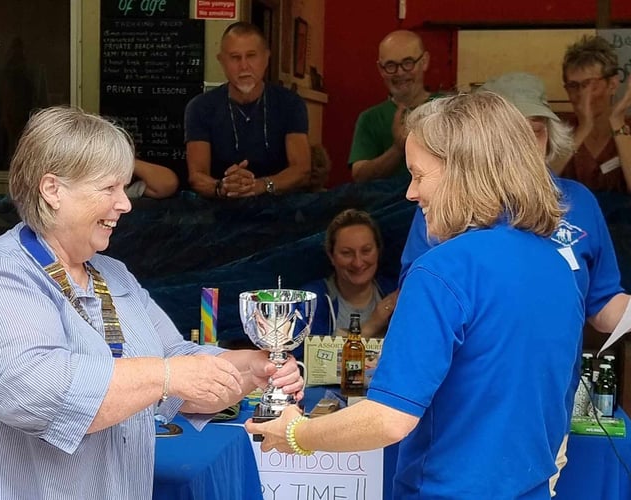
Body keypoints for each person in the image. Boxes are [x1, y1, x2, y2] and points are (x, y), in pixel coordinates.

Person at [0, 106, 304, 499]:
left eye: (124, 187)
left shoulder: (113, 274)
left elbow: (179, 359)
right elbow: (32, 392)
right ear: (52, 189)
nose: (125, 203)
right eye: (109, 188)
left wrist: (250, 368)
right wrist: (167, 376)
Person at [246, 93, 586, 499]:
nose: (410, 193)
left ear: (463, 172)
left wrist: (296, 433)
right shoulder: (558, 265)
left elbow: (389, 418)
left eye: (419, 175)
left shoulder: (442, 268)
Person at [399, 72, 631, 496]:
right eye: (514, 133)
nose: (526, 143)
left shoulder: (579, 202)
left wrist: (299, 436)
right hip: (464, 424)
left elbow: (602, 302)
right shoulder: (443, 207)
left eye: (536, 131)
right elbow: (424, 293)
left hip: (543, 419)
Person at [185, 22, 310, 198]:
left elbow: (301, 170)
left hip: (280, 208)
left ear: (266, 58)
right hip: (220, 210)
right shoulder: (200, 107)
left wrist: (259, 186)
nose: (244, 66)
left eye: (251, 56)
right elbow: (197, 175)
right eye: (235, 57)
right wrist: (223, 187)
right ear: (222, 61)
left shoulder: (290, 103)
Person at [349, 30, 443, 183]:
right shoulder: (370, 118)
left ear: (424, 62)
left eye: (408, 63)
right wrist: (398, 149)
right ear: (380, 69)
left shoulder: (448, 108)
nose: (399, 73)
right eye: (391, 66)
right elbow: (359, 176)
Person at [301, 209, 398, 339]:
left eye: (366, 251)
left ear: (378, 251)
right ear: (331, 256)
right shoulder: (312, 300)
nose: (358, 263)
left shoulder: (395, 291)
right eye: (347, 253)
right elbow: (311, 355)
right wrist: (373, 324)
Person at [558, 35, 631, 193]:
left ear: (612, 84)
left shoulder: (627, 128)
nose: (582, 94)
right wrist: (584, 128)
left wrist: (617, 121)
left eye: (590, 85)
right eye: (573, 86)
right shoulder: (559, 131)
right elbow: (543, 181)